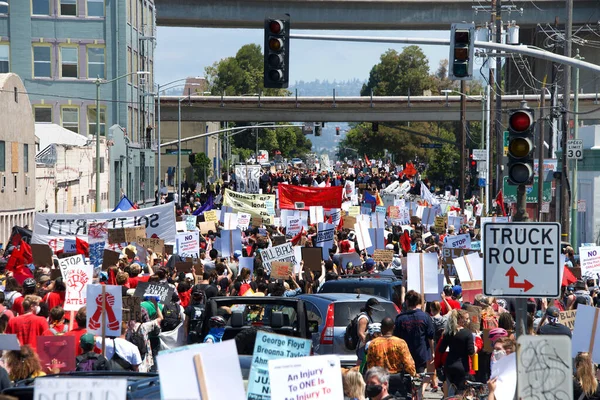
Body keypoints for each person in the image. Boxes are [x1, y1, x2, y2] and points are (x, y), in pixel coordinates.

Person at [367, 317, 416, 397]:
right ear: (393, 327)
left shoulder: (374, 343)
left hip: (380, 379)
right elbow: (408, 363)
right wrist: (413, 373)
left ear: (381, 328)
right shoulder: (400, 343)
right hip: (397, 379)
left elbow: (370, 365)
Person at [394, 290, 435, 374]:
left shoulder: (400, 318)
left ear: (407, 302)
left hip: (404, 354)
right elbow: (430, 337)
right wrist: (432, 352)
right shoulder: (425, 317)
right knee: (419, 377)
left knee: (406, 378)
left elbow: (396, 338)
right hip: (421, 354)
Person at [437, 309, 475, 394]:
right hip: (462, 366)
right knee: (460, 392)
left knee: (451, 390)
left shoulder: (448, 332)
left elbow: (441, 349)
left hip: (449, 364)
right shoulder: (467, 333)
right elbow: (471, 352)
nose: (467, 321)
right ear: (460, 319)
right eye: (466, 318)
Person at [356, 298, 385, 365]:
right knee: (361, 363)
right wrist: (367, 344)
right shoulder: (364, 318)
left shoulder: (369, 316)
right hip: (362, 346)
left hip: (368, 344)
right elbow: (360, 333)